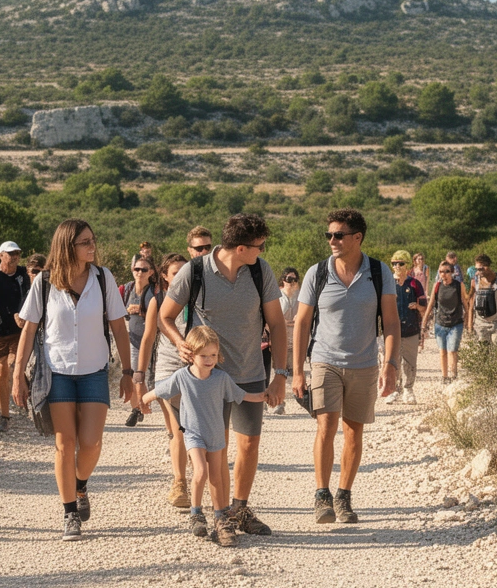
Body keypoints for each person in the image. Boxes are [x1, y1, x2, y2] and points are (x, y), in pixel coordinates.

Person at [158, 214, 288, 538]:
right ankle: (220, 517)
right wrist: (180, 344)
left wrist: (281, 374)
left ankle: (240, 509)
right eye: (258, 247)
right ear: (241, 247)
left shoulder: (260, 271)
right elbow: (165, 317)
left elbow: (278, 324)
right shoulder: (196, 271)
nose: (262, 251)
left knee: (249, 444)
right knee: (217, 448)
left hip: (250, 371)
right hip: (208, 378)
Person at [13, 220, 134, 541]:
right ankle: (69, 513)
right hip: (57, 372)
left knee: (92, 442)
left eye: (93, 240)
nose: (92, 246)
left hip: (95, 369)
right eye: (85, 242)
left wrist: (128, 372)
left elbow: (119, 327)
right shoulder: (44, 283)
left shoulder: (103, 278)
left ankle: (80, 484)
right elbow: (28, 330)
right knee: (65, 444)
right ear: (68, 246)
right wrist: (17, 375)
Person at [292, 209, 399, 525]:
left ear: (357, 237)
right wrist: (297, 370)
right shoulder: (317, 272)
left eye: (339, 234)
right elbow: (301, 322)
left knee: (354, 431)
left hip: (365, 363)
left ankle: (344, 496)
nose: (332, 240)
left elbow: (391, 322)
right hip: (325, 360)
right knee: (326, 423)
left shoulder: (379, 273)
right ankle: (322, 495)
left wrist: (390, 365)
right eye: (329, 235)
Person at [141, 326, 267, 547]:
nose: (209, 360)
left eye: (213, 355)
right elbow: (160, 391)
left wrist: (265, 396)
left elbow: (243, 395)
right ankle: (196, 513)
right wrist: (143, 400)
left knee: (216, 478)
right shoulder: (181, 377)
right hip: (193, 434)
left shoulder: (222, 378)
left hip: (216, 435)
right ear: (191, 354)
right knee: (200, 471)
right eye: (203, 355)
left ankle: (220, 517)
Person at [136, 253, 191, 507]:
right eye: (175, 273)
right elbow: (148, 339)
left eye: (185, 271)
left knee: (190, 429)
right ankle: (180, 483)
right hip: (168, 370)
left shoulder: (200, 298)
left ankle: (201, 478)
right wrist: (139, 377)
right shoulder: (158, 301)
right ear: (166, 278)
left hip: (199, 370)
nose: (181, 276)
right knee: (177, 428)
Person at [0, 240, 30, 432]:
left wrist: (23, 314)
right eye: (11, 253)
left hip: (20, 331)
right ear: (1, 255)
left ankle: (27, 404)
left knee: (13, 366)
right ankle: (5, 417)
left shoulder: (23, 274)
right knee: (1, 373)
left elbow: (29, 297)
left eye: (17, 253)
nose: (15, 256)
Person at [122, 253, 159, 428]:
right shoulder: (128, 289)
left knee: (141, 376)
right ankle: (136, 408)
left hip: (151, 341)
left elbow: (161, 315)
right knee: (132, 375)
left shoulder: (154, 292)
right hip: (132, 338)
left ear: (151, 272)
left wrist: (140, 310)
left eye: (144, 269)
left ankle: (139, 408)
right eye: (137, 269)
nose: (139, 272)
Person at [386, 250, 426, 405]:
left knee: (409, 360)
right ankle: (394, 390)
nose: (397, 266)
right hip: (391, 330)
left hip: (410, 328)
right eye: (394, 263)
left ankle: (408, 389)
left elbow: (424, 307)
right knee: (392, 360)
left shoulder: (415, 284)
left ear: (408, 265)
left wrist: (417, 306)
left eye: (400, 263)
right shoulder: (387, 283)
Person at [424, 262, 469, 381]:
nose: (443, 274)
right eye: (441, 271)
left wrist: (468, 321)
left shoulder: (459, 285)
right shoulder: (437, 286)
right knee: (442, 351)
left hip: (456, 322)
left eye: (446, 271)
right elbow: (431, 304)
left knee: (452, 350)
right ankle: (444, 376)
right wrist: (424, 322)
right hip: (440, 323)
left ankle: (453, 375)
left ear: (452, 273)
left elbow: (465, 303)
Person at [271, 266, 301, 415]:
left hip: (296, 340)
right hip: (279, 340)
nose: (292, 282)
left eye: (295, 279)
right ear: (283, 280)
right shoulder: (277, 295)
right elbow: (273, 319)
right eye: (289, 279)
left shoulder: (301, 296)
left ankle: (304, 400)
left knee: (297, 372)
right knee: (279, 372)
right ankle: (278, 403)